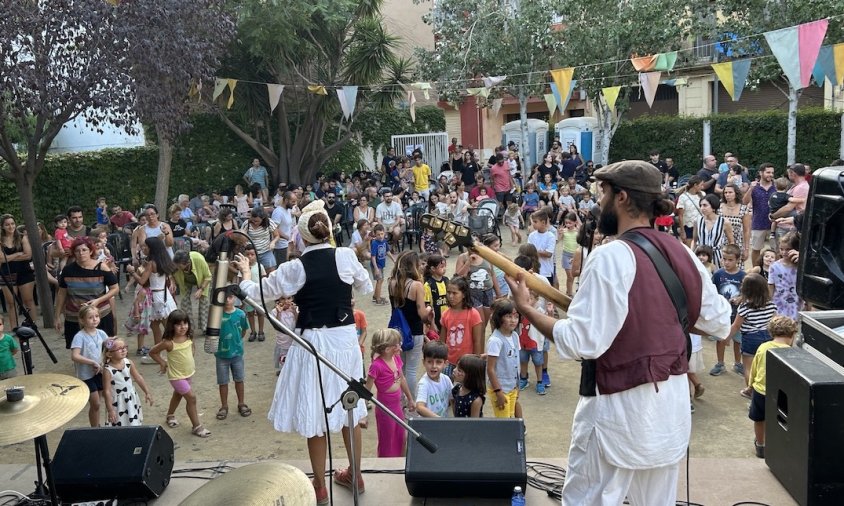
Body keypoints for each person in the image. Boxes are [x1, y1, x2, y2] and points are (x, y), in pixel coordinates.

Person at [507, 160, 731, 505]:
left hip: (615, 415)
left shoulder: (610, 256)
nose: (599, 203)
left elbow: (582, 342)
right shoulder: (682, 252)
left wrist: (528, 310)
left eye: (604, 194)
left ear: (622, 198)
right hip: (669, 412)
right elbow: (718, 321)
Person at [232, 199, 372, 504]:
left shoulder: (296, 267)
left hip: (314, 342)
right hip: (345, 340)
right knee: (350, 408)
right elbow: (367, 288)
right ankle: (356, 474)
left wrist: (245, 274)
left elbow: (258, 294)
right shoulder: (345, 255)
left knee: (316, 408)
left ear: (302, 236)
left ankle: (320, 485)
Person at [55, 237, 120, 349]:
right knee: (78, 348)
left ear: (90, 251)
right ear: (74, 253)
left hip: (100, 314)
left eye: (84, 250)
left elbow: (115, 288)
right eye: (77, 251)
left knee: (105, 348)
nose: (81, 253)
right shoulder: (68, 270)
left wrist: (98, 300)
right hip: (75, 316)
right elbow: (61, 293)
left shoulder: (101, 267)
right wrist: (56, 316)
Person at [748, 315, 796, 458]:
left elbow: (754, 368)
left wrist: (750, 385)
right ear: (792, 334)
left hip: (760, 391)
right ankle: (778, 446)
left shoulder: (763, 347)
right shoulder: (792, 353)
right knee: (780, 421)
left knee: (759, 419)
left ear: (771, 332)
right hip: (781, 394)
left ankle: (760, 445)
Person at [388, 251, 433, 397]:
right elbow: (422, 314)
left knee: (401, 367)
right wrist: (428, 309)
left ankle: (400, 400)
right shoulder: (416, 286)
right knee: (412, 370)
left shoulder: (391, 283)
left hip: (397, 331)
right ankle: (411, 402)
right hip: (414, 330)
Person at [366, 329, 415, 457]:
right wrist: (363, 414)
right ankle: (385, 465)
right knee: (387, 441)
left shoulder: (396, 358)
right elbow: (367, 389)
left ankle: (400, 462)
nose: (400, 345)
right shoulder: (377, 366)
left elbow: (402, 378)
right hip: (384, 410)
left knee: (401, 437)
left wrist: (410, 398)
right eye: (398, 344)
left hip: (397, 407)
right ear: (387, 349)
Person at [726, 273, 777, 397]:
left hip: (751, 337)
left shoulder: (745, 307)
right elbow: (774, 321)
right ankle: (764, 391)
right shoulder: (771, 304)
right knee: (763, 367)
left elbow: (736, 325)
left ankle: (751, 391)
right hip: (768, 336)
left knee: (748, 367)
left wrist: (726, 338)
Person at [126, 237, 177, 352]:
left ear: (152, 248)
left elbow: (142, 281)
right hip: (165, 295)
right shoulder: (164, 260)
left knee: (160, 327)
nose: (143, 248)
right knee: (160, 325)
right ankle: (159, 350)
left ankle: (165, 350)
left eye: (145, 246)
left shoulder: (151, 263)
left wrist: (132, 271)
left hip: (155, 297)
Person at [709, 244, 745, 377]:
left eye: (730, 260)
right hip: (722, 314)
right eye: (724, 259)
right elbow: (712, 292)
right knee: (720, 338)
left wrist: (741, 298)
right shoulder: (718, 274)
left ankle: (737, 363)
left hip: (738, 315)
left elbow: (747, 293)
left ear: (737, 260)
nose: (726, 262)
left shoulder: (743, 276)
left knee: (738, 340)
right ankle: (720, 363)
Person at [70, 305, 109, 426]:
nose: (95, 319)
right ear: (82, 320)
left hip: (100, 372)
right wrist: (92, 362)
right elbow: (75, 356)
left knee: (99, 402)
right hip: (86, 375)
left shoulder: (101, 333)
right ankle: (94, 428)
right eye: (90, 317)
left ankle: (98, 425)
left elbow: (109, 346)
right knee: (95, 403)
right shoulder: (79, 336)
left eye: (97, 316)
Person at [215, 294, 251, 420]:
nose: (227, 300)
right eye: (224, 297)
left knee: (239, 379)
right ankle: (224, 406)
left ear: (234, 298)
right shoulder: (216, 314)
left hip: (237, 353)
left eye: (229, 297)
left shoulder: (241, 314)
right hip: (221, 355)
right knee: (223, 382)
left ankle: (241, 403)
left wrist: (236, 343)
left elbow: (243, 330)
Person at [103, 337, 152, 427]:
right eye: (119, 348)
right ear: (109, 354)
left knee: (133, 422)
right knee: (118, 424)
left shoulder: (128, 363)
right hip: (117, 403)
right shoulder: (108, 370)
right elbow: (107, 391)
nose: (123, 350)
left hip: (130, 399)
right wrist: (110, 409)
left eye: (124, 347)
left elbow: (138, 378)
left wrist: (147, 392)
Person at [454, 235, 500, 331]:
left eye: (476, 242)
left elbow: (492, 274)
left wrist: (499, 294)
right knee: (479, 323)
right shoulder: (462, 257)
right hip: (472, 293)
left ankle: (480, 345)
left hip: (488, 292)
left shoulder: (486, 255)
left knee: (484, 325)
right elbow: (458, 276)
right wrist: (469, 262)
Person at [486, 299, 521, 418]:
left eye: (516, 316)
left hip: (512, 386)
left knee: (510, 418)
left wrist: (517, 385)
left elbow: (515, 361)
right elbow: (490, 369)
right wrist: (498, 392)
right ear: (499, 318)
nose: (513, 320)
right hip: (500, 389)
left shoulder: (515, 336)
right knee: (504, 422)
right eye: (508, 316)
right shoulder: (495, 340)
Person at [0, 214, 36, 329]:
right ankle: (14, 327)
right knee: (11, 303)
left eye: (12, 224)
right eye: (7, 225)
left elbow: (28, 255)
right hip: (7, 273)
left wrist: (9, 257)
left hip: (24, 271)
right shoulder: (0, 240)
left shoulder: (22, 237)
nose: (10, 227)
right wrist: (17, 254)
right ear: (2, 226)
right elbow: (1, 259)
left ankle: (32, 325)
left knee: (28, 300)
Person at [172, 251, 211, 337]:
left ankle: (205, 328)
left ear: (187, 263)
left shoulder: (198, 259)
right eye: (176, 265)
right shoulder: (175, 264)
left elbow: (208, 276)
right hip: (184, 281)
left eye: (179, 266)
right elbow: (170, 274)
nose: (177, 267)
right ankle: (189, 328)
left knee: (204, 301)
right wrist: (173, 282)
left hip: (201, 279)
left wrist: (201, 289)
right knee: (184, 303)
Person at [743, 163, 776, 265]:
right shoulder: (755, 187)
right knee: (756, 249)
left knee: (776, 250)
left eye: (772, 173)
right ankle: (756, 270)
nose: (770, 175)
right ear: (761, 173)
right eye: (768, 172)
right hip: (758, 223)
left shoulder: (776, 186)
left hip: (774, 224)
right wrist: (750, 189)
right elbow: (744, 202)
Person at [692, 194, 734, 269]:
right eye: (701, 205)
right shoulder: (697, 221)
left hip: (717, 255)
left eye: (705, 205)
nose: (702, 208)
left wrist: (726, 258)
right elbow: (694, 241)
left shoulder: (724, 222)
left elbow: (731, 242)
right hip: (701, 255)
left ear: (713, 207)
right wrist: (692, 255)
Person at [414, 340, 453, 417]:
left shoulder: (446, 379)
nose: (434, 366)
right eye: (429, 362)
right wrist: (438, 419)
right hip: (428, 426)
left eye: (438, 362)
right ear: (424, 362)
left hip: (442, 423)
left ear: (445, 364)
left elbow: (453, 399)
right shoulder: (424, 384)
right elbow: (419, 407)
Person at [769, 232, 802, 320]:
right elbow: (771, 286)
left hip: (797, 306)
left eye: (788, 249)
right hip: (779, 305)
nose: (784, 252)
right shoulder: (774, 266)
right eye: (781, 249)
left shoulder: (801, 267)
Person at [528, 208, 556, 286]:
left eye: (535, 222)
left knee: (547, 295)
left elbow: (549, 254)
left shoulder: (551, 236)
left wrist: (534, 252)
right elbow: (528, 252)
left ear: (543, 222)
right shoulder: (531, 235)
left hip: (546, 271)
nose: (533, 224)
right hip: (533, 270)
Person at [273, 296, 297, 375]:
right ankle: (283, 370)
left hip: (294, 342)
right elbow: (276, 325)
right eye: (283, 299)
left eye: (289, 298)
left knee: (294, 360)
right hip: (282, 341)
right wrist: (279, 312)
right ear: (278, 300)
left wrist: (295, 312)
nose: (286, 301)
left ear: (292, 299)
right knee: (283, 359)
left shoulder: (295, 310)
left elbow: (299, 323)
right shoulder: (275, 311)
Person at [369, 224, 392, 305]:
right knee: (380, 280)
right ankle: (378, 299)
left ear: (384, 233)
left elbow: (387, 251)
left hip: (381, 265)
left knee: (380, 280)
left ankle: (375, 296)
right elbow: (373, 257)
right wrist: (376, 268)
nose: (380, 236)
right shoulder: (374, 243)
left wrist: (394, 259)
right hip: (376, 265)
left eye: (382, 234)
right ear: (375, 234)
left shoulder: (384, 241)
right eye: (378, 234)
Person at [558, 213, 579, 297]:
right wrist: (560, 234)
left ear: (575, 222)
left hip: (575, 256)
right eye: (566, 223)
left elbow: (580, 243)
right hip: (566, 255)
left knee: (572, 276)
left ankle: (568, 290)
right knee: (570, 276)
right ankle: (570, 295)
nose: (567, 225)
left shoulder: (578, 232)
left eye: (570, 223)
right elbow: (558, 241)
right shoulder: (564, 231)